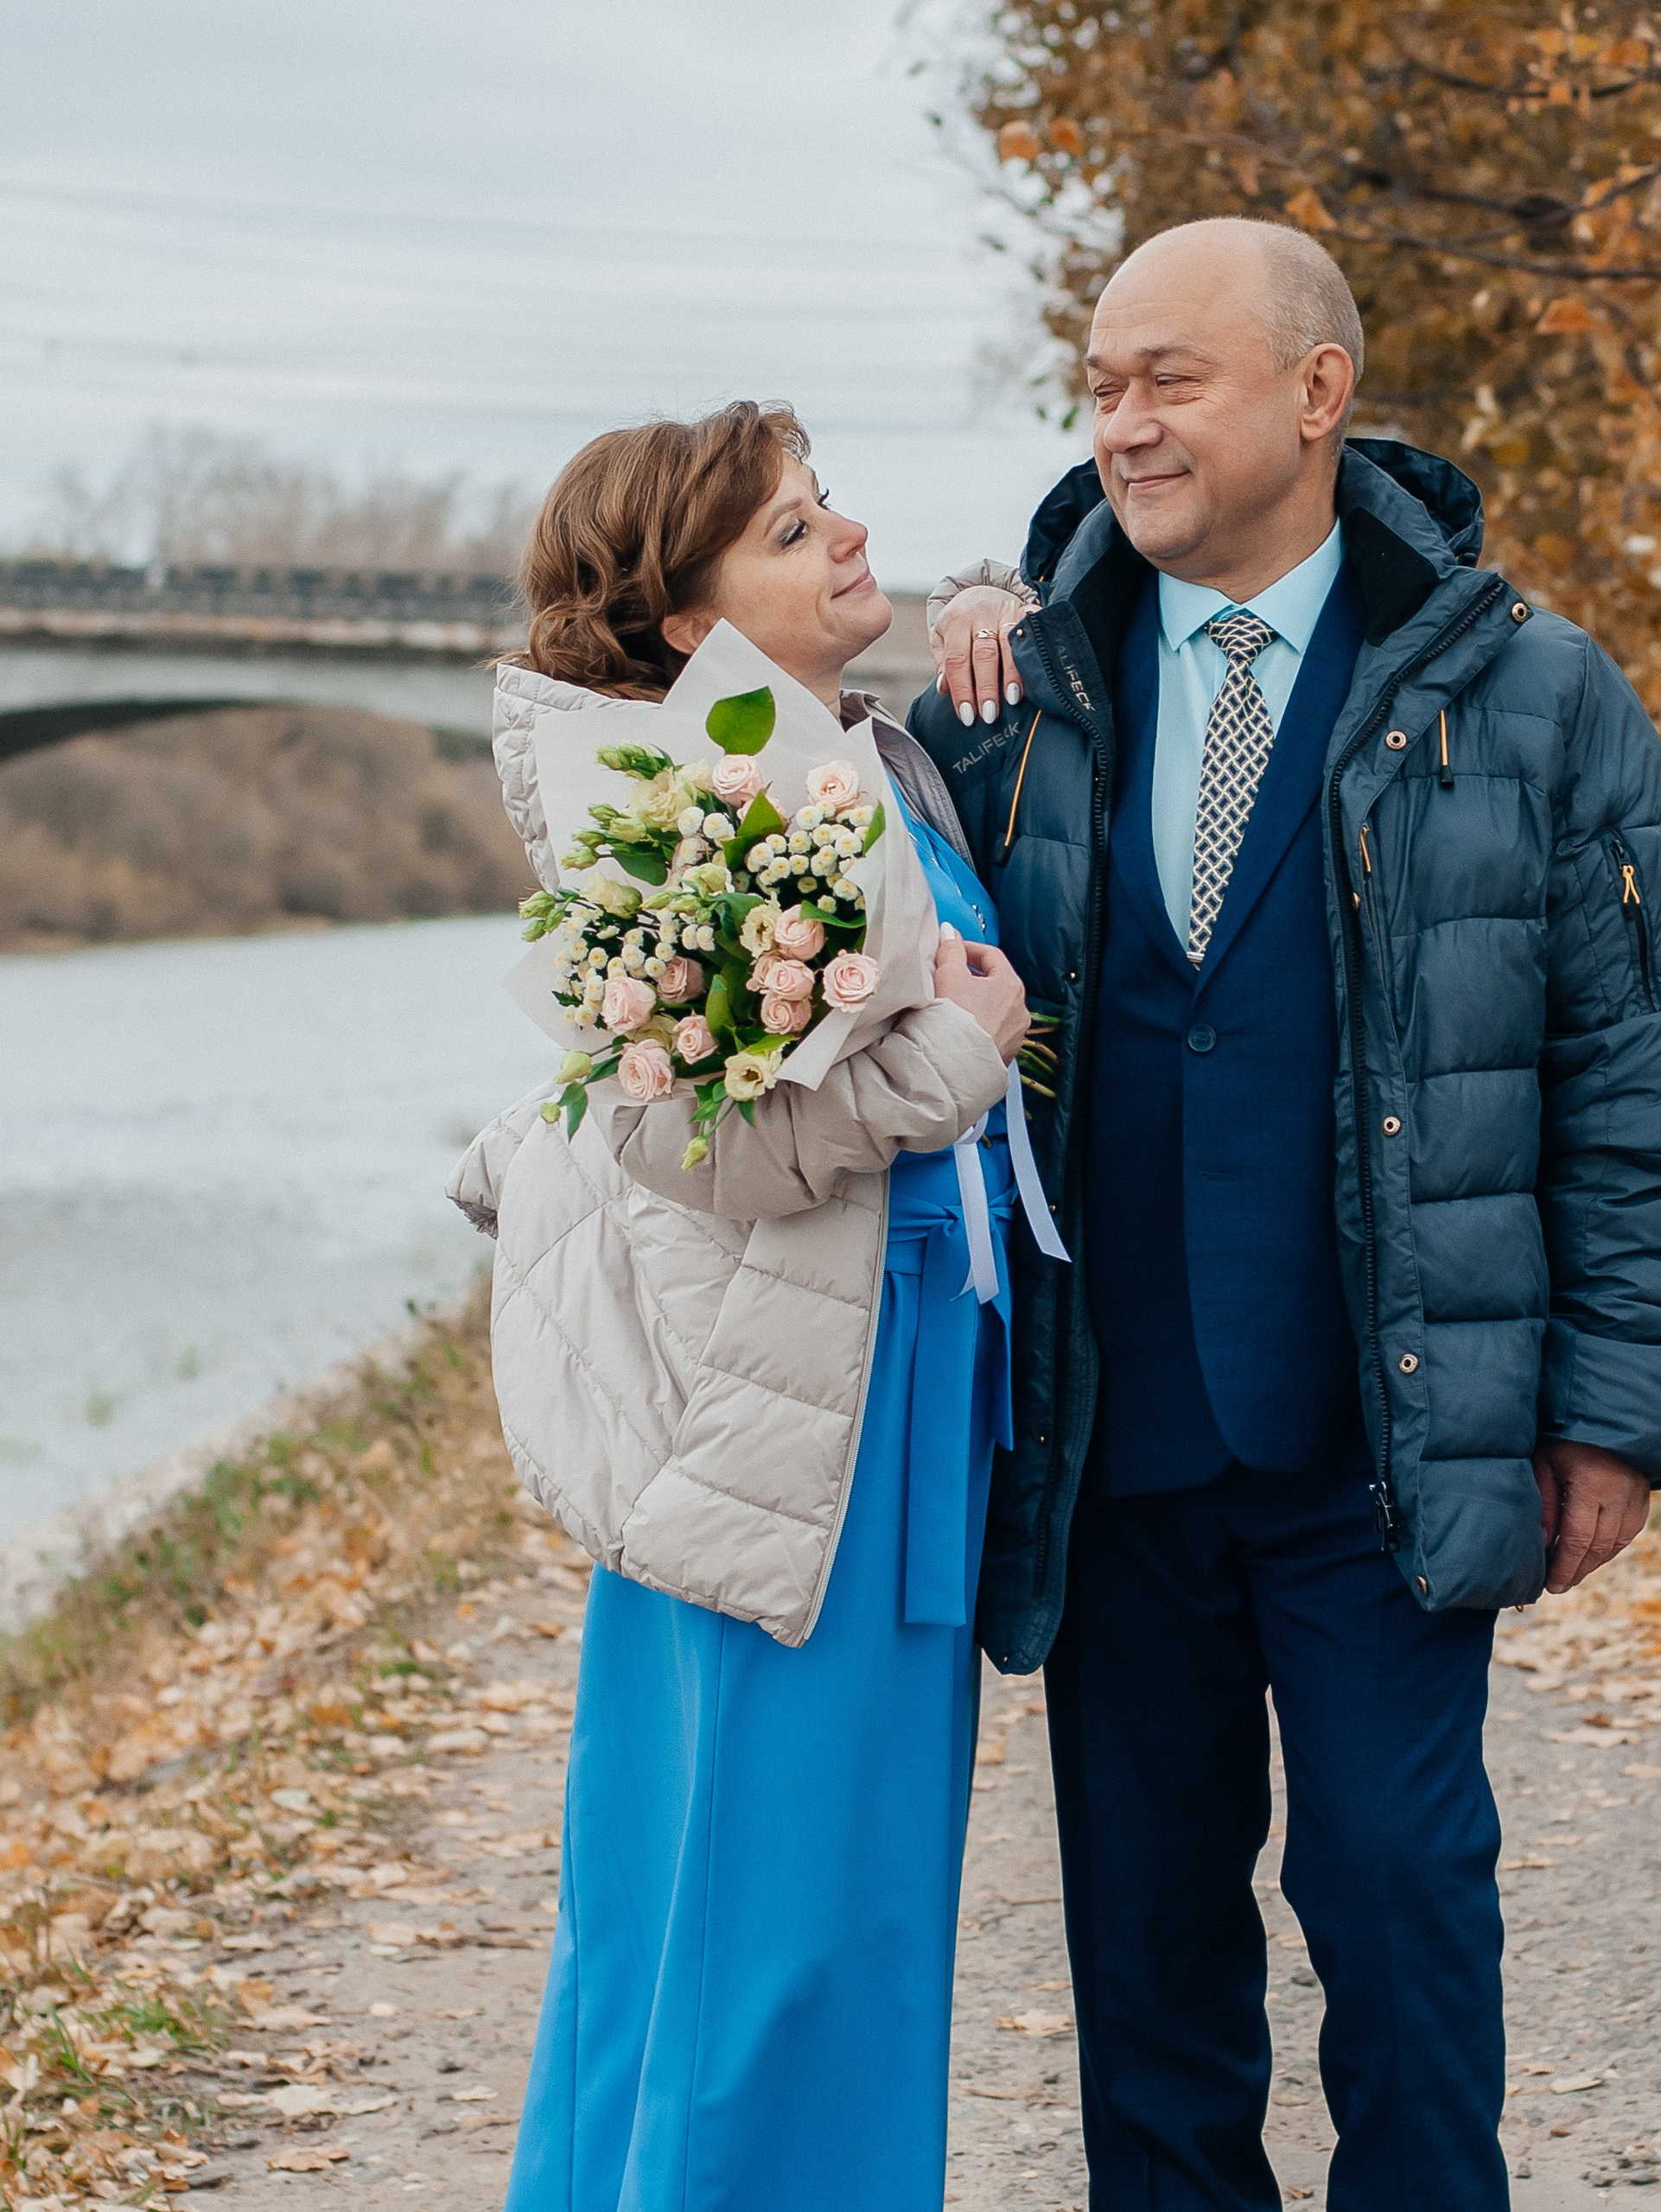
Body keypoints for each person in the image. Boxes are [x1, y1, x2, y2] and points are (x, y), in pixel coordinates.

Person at [910, 218, 1661, 2209]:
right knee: (1146, 1960)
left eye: (1167, 379)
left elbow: (1642, 1076)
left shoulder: (1531, 692)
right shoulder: (1006, 698)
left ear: (1314, 392)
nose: (1121, 422)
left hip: (1387, 1432)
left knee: (1399, 1906)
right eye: (1100, 386)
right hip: (1107, 1449)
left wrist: (1614, 1409)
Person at [445, 402, 1034, 2211]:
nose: (845, 535)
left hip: (893, 1389)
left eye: (825, 501)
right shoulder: (677, 806)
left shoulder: (851, 758)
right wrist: (964, 1055)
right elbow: (695, 1142)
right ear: (693, 624)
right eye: (790, 530)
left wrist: (1010, 593)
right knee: (755, 1935)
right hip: (787, 1420)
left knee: (810, 1915)